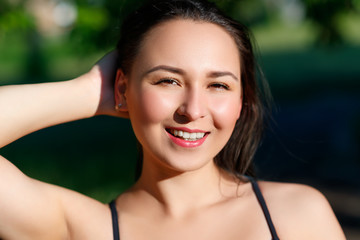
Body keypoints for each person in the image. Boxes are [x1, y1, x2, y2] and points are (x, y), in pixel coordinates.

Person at [0, 0, 345, 239]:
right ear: (122, 88)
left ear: (241, 102)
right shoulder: (83, 229)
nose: (193, 109)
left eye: (218, 85)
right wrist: (88, 91)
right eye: (168, 80)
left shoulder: (297, 214)